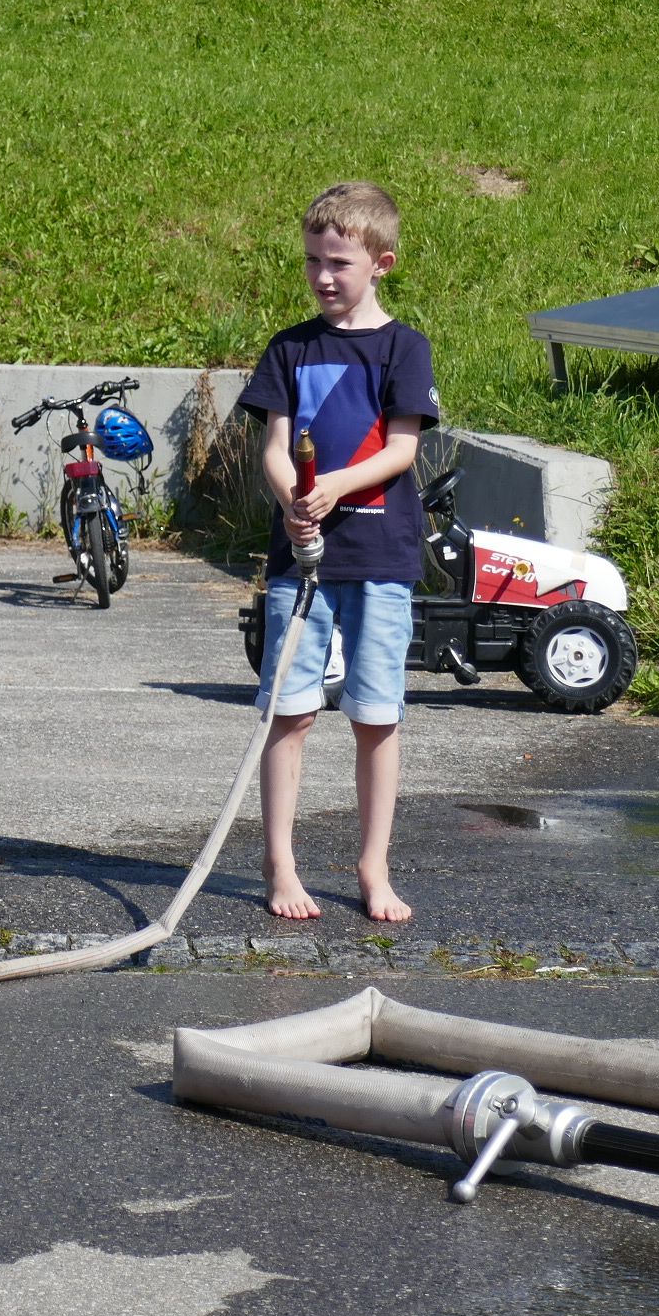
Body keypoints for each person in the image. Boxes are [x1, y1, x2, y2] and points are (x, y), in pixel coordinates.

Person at [237, 181, 441, 923]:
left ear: (381, 263)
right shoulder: (289, 349)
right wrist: (293, 500)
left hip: (381, 556)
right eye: (312, 261)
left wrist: (333, 488)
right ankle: (280, 864)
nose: (322, 276)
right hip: (300, 562)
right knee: (289, 714)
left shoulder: (404, 348)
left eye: (338, 263)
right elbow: (274, 447)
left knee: (376, 716)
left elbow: (401, 450)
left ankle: (372, 867)